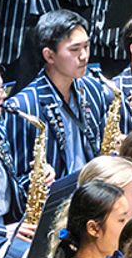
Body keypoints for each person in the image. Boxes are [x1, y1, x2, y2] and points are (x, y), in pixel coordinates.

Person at [8, 10, 119, 179]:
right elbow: (16, 178)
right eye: (75, 49)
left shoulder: (94, 88)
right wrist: (37, 178)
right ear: (49, 55)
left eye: (86, 46)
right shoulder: (22, 107)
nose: (84, 56)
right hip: (56, 193)